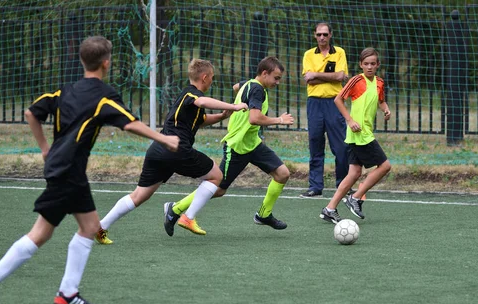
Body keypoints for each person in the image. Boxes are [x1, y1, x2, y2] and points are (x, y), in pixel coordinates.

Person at [0, 36, 180, 304]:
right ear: (107, 63)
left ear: (82, 61)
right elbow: (130, 123)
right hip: (68, 172)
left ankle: (67, 291)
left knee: (90, 227)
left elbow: (31, 113)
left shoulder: (64, 91)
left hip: (64, 169)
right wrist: (164, 139)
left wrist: (45, 148)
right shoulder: (104, 96)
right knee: (41, 234)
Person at [94, 59, 248, 242]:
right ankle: (188, 217)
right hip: (176, 147)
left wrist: (222, 116)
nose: (212, 82)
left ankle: (100, 227)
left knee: (139, 195)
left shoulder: (185, 97)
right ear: (204, 77)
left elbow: (202, 119)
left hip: (158, 149)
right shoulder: (193, 95)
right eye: (212, 78)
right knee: (216, 176)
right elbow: (202, 102)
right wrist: (233, 106)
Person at [163, 56, 294, 235]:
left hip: (252, 144)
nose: (277, 82)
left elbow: (236, 87)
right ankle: (176, 208)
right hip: (237, 146)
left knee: (282, 174)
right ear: (264, 73)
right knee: (217, 189)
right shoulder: (258, 90)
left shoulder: (248, 84)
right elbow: (254, 119)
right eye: (276, 78)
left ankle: (264, 214)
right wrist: (280, 120)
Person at [320, 47, 391, 223]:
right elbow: (338, 99)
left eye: (372, 64)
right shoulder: (355, 81)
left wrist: (386, 109)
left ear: (378, 65)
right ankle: (356, 198)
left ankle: (329, 209)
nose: (369, 67)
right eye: (366, 64)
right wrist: (350, 120)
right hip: (360, 134)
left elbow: (380, 100)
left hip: (362, 133)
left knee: (354, 173)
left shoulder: (379, 83)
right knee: (385, 166)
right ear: (360, 65)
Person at [300, 22, 350, 198]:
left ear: (330, 35)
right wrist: (332, 78)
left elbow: (341, 76)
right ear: (314, 35)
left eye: (325, 34)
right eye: (319, 34)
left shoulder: (340, 52)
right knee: (315, 144)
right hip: (315, 103)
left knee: (341, 147)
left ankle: (343, 185)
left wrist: (317, 75)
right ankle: (315, 186)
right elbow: (309, 80)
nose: (322, 37)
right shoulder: (308, 55)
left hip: (335, 103)